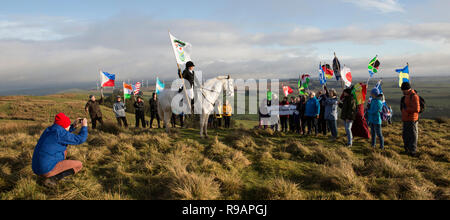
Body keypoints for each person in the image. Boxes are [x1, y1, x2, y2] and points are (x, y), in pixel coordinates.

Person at [32, 113, 88, 187]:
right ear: (64, 126)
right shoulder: (60, 134)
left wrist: (73, 126)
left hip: (36, 167)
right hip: (45, 169)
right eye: (68, 125)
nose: (69, 127)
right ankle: (53, 179)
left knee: (64, 151)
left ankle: (51, 172)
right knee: (78, 165)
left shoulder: (50, 130)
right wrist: (84, 126)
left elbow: (63, 131)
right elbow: (80, 139)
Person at [400, 82, 421, 156]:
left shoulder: (414, 96)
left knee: (413, 135)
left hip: (412, 119)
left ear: (406, 89)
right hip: (406, 119)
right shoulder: (407, 96)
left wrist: (406, 109)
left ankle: (413, 151)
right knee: (405, 135)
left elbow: (417, 109)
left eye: (403, 90)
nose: (402, 91)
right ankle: (407, 150)